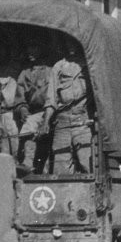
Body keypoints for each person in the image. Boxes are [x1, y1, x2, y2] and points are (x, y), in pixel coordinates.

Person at [44, 40, 93, 174]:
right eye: (68, 42)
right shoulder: (59, 66)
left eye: (74, 42)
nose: (71, 46)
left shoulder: (90, 65)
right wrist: (46, 121)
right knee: (60, 167)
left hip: (82, 121)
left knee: (88, 163)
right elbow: (51, 99)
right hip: (62, 123)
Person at [15, 38, 52, 174]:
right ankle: (27, 163)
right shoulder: (25, 73)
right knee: (28, 127)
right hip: (33, 112)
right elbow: (19, 97)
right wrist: (23, 109)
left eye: (34, 47)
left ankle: (43, 169)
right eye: (28, 48)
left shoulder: (51, 71)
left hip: (50, 110)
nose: (29, 52)